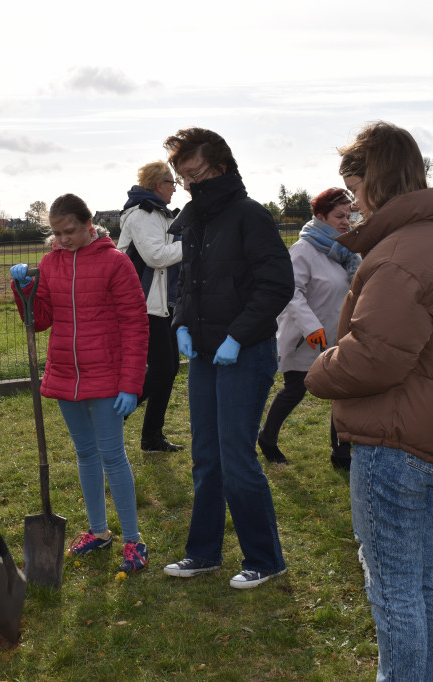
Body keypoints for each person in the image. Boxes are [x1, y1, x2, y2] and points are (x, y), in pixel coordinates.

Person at [305, 121, 433, 681]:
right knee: (421, 577)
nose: (354, 200)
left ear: (376, 181)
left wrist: (318, 370)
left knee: (393, 589)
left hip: (395, 437)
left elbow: (374, 357)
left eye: (355, 184)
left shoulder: (398, 254)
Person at [159, 127, 294, 590]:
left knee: (237, 457)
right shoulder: (196, 220)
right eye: (182, 176)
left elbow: (276, 285)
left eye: (195, 173)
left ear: (221, 167)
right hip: (203, 353)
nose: (189, 183)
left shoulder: (249, 216)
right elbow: (187, 284)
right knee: (205, 457)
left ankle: (265, 558)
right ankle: (204, 553)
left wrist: (238, 336)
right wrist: (180, 323)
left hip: (245, 353)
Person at [9, 194, 150, 574]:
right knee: (85, 455)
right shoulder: (50, 264)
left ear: (89, 224)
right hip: (65, 376)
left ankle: (134, 539)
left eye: (69, 231)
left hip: (107, 377)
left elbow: (136, 325)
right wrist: (24, 291)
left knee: (112, 455)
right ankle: (98, 531)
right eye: (55, 233)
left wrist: (131, 383)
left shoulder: (115, 263)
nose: (62, 239)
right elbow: (37, 321)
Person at [258, 187, 360, 469]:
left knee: (342, 392)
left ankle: (341, 452)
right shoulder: (303, 250)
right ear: (319, 215)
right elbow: (291, 292)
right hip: (309, 338)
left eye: (348, 215)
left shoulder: (344, 251)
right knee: (295, 389)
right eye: (338, 216)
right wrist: (311, 328)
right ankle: (267, 438)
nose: (345, 221)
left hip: (339, 335)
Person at [116, 160, 184, 453]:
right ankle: (115, 418)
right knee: (162, 370)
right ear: (159, 184)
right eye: (172, 183)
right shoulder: (142, 215)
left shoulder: (159, 213)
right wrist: (192, 243)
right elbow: (156, 256)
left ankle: (152, 437)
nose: (175, 189)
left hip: (162, 304)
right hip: (144, 305)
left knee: (167, 370)